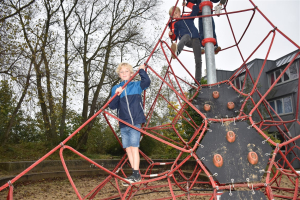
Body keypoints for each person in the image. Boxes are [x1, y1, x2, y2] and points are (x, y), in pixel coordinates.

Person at [109, 63, 151, 186]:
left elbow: (146, 82)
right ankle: (134, 174)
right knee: (128, 149)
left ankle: (136, 174)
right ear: (119, 75)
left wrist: (142, 71)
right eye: (121, 72)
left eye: (126, 71)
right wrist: (116, 94)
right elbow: (112, 106)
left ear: (131, 73)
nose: (124, 74)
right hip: (123, 122)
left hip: (135, 121)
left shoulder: (136, 85)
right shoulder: (116, 88)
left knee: (134, 147)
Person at [168, 1, 202, 83]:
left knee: (198, 60)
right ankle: (177, 52)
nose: (176, 16)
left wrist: (187, 4)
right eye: (173, 15)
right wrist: (171, 35)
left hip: (196, 39)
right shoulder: (175, 24)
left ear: (179, 12)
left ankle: (198, 81)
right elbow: (174, 37)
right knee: (186, 36)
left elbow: (196, 9)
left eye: (176, 13)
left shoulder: (187, 17)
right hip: (186, 40)